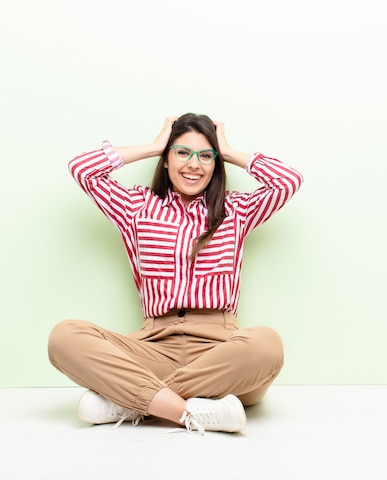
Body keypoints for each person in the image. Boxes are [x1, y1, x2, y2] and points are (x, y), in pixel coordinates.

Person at [48, 113, 303, 434]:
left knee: (267, 343)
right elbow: (83, 168)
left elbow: (287, 180)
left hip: (222, 354)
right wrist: (154, 145)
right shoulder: (136, 207)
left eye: (205, 156)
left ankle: (132, 402)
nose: (194, 164)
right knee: (65, 335)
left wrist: (227, 150)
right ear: (166, 160)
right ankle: (188, 410)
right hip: (153, 347)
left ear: (216, 164)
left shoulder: (236, 210)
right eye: (182, 152)